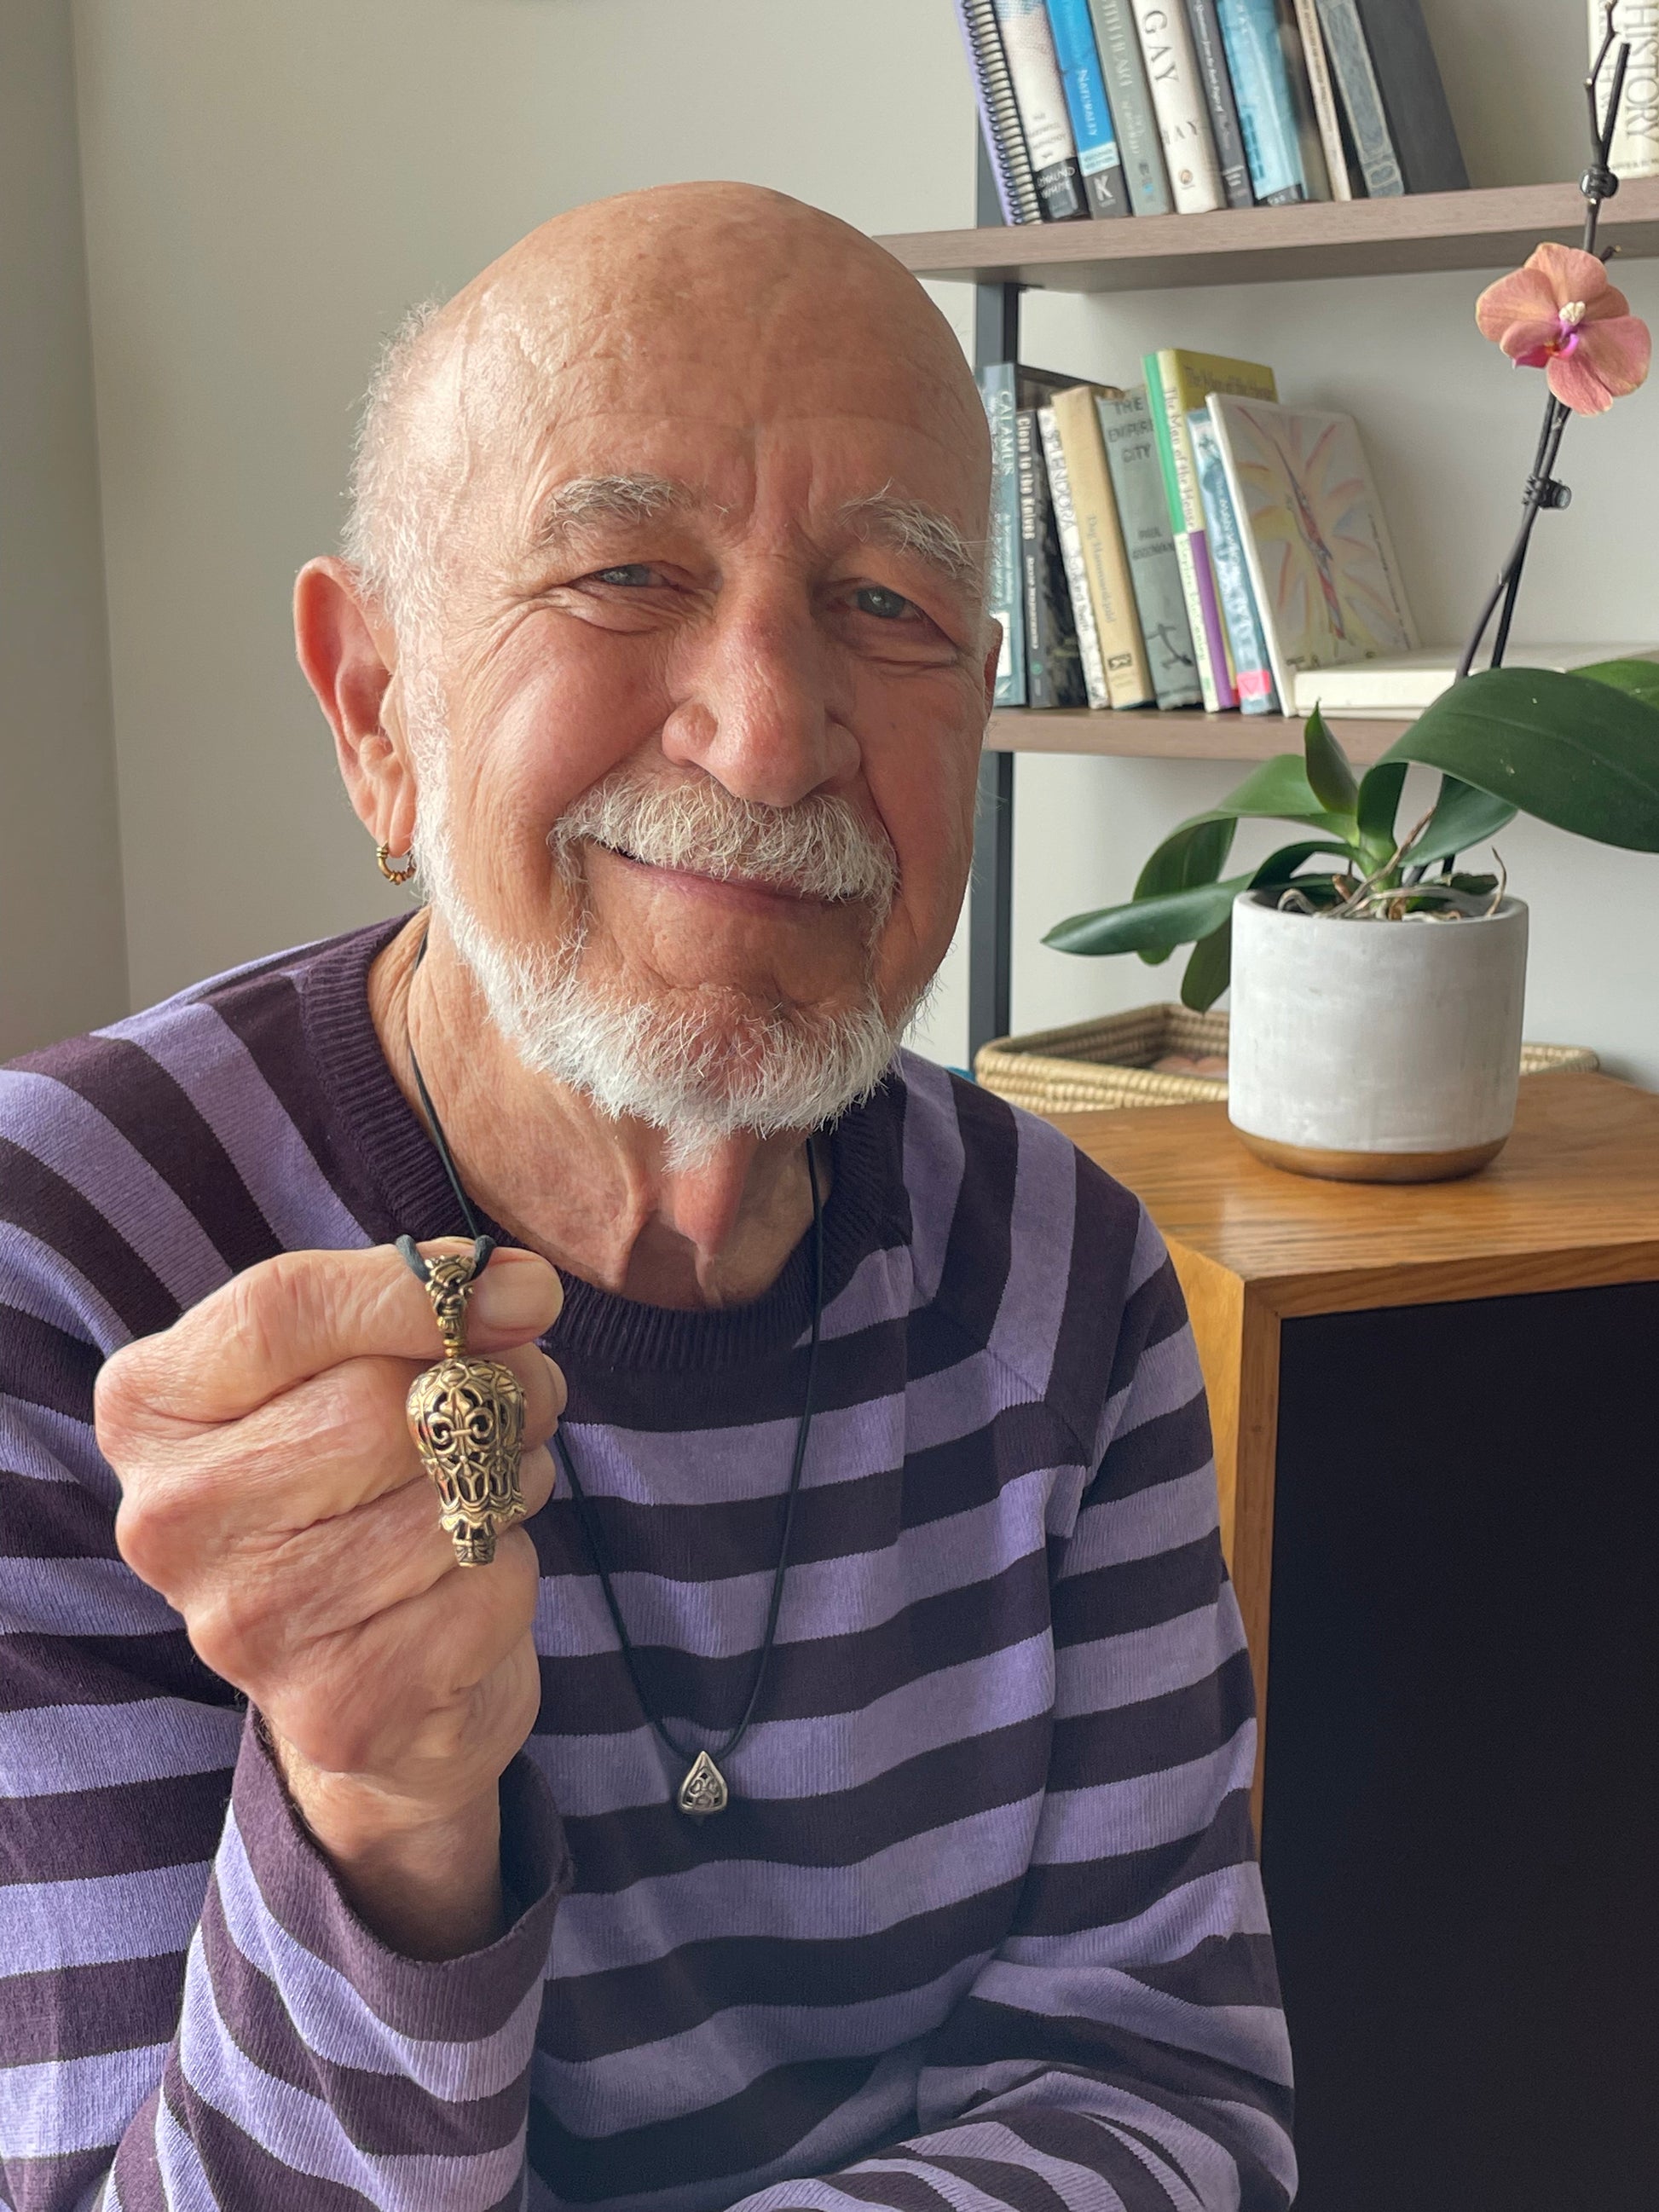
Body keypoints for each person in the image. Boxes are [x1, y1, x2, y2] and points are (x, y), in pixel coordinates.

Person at [0, 183, 1293, 2212]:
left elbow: (1165, 2083)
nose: (772, 732)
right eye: (621, 571)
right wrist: (375, 1822)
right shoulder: (65, 1267)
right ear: (376, 709)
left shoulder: (1064, 1271)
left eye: (888, 601)